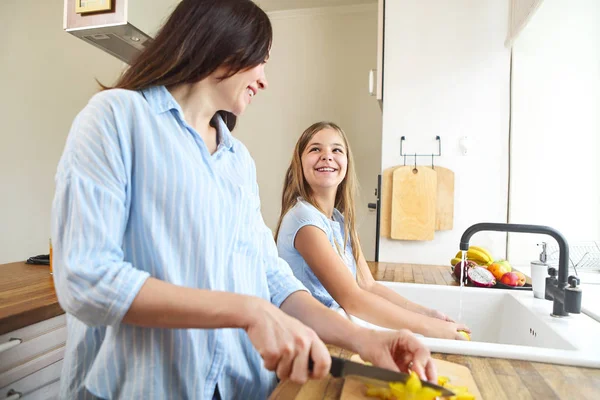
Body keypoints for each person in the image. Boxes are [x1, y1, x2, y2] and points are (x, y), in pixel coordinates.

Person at [51, 1, 437, 399]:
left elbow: (272, 279)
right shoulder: (116, 118)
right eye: (260, 62)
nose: (264, 80)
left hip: (241, 387)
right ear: (223, 44)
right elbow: (86, 278)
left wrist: (365, 341)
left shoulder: (238, 160)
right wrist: (246, 310)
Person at [275, 121, 471, 340]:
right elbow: (352, 299)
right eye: (315, 149)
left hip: (332, 330)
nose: (327, 156)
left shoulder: (341, 220)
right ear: (299, 163)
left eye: (336, 150)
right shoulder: (304, 220)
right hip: (308, 339)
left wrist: (429, 314)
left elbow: (368, 285)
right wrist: (429, 328)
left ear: (347, 162)